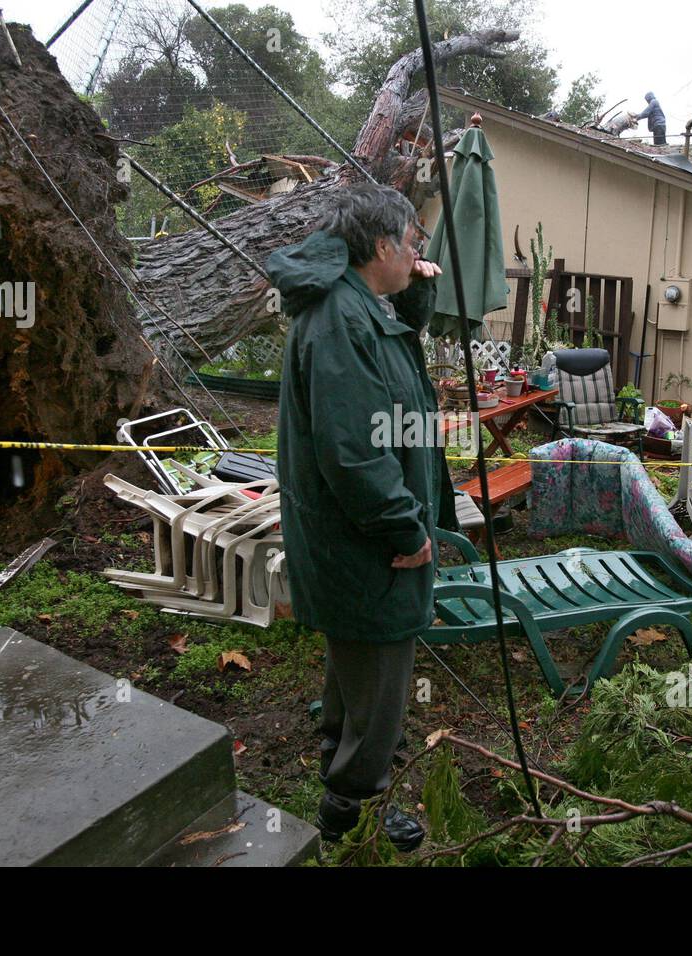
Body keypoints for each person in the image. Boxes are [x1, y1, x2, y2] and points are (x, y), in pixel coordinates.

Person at [266, 183, 456, 852]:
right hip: (366, 544)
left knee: (358, 672)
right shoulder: (339, 320)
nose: (416, 252)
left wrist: (414, 293)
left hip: (354, 542)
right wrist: (404, 529)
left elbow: (394, 368)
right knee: (380, 684)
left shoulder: (354, 307)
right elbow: (353, 452)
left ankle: (342, 786)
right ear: (379, 246)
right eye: (410, 242)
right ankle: (357, 810)